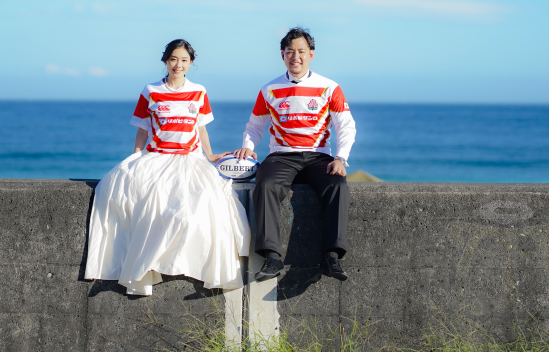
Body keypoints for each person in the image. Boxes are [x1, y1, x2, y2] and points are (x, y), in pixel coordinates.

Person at [85, 39, 250, 296]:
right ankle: (146, 266)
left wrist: (210, 154)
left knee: (200, 208)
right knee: (145, 204)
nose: (178, 64)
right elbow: (142, 128)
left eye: (184, 60)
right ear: (165, 61)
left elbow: (201, 127)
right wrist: (136, 157)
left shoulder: (198, 91)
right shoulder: (151, 91)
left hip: (190, 159)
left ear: (191, 63)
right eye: (174, 59)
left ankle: (186, 263)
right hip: (157, 157)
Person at [234, 27, 356, 282]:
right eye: (290, 51)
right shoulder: (270, 89)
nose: (295, 56)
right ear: (282, 55)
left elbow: (346, 125)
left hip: (318, 155)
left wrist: (341, 158)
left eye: (301, 51)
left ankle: (331, 257)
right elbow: (255, 126)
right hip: (281, 156)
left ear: (311, 54)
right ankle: (272, 257)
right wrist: (248, 145)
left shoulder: (329, 87)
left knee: (337, 185)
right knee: (265, 185)